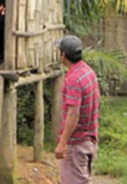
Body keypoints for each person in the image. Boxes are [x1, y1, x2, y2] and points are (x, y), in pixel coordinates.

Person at [55, 35, 99, 184]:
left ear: (63, 55)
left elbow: (73, 113)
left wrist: (63, 143)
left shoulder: (73, 79)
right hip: (89, 139)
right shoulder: (88, 72)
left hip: (76, 143)